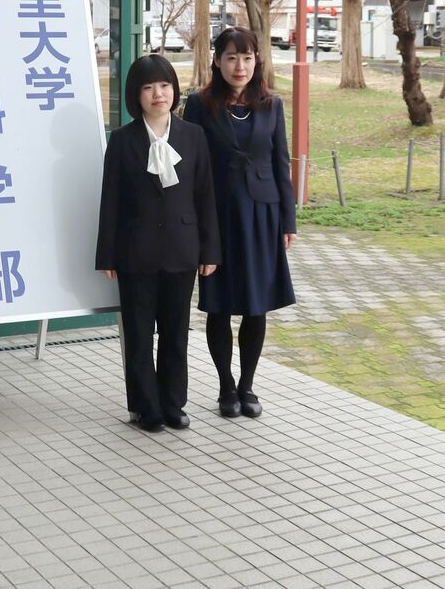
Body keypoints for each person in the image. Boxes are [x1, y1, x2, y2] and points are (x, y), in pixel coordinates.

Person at [95, 54, 221, 433]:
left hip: (182, 251)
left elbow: (205, 196)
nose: (157, 94)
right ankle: (145, 407)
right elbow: (110, 200)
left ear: (174, 90)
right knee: (138, 334)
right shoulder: (122, 140)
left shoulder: (193, 136)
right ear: (137, 95)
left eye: (164, 85)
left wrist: (210, 250)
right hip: (136, 252)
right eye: (148, 87)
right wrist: (107, 254)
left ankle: (173, 404)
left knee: (175, 333)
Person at [183, 27, 296, 419]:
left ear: (257, 62)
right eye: (231, 57)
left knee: (255, 305)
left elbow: (281, 163)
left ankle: (247, 385)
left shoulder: (271, 105)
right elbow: (191, 164)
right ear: (217, 61)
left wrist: (288, 220)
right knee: (220, 305)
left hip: (263, 214)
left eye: (247, 58)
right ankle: (225, 387)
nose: (240, 65)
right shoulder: (199, 104)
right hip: (218, 216)